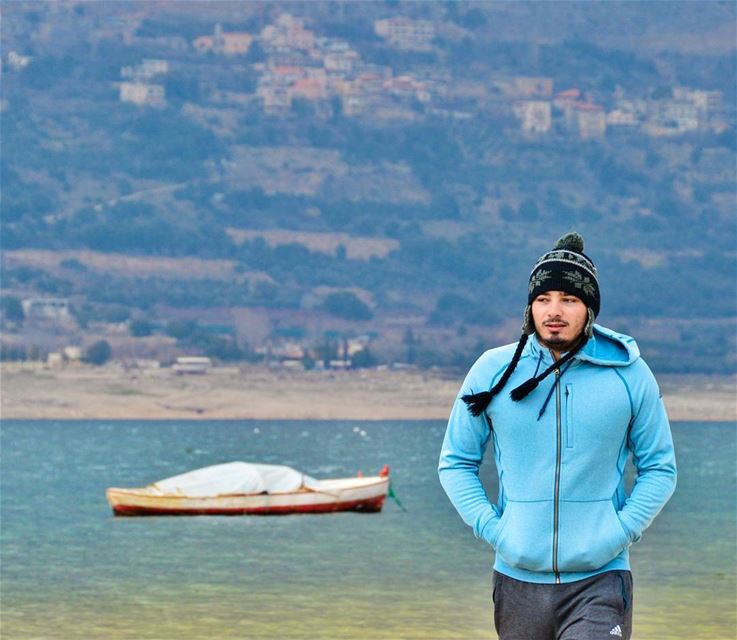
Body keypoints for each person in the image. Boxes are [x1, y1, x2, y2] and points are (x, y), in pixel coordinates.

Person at [438, 232, 676, 640]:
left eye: (569, 299)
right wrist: (495, 530)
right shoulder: (492, 372)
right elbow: (456, 462)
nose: (555, 310)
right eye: (544, 298)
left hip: (600, 579)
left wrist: (619, 533)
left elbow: (659, 468)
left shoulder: (629, 373)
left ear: (589, 309)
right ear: (530, 306)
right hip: (517, 579)